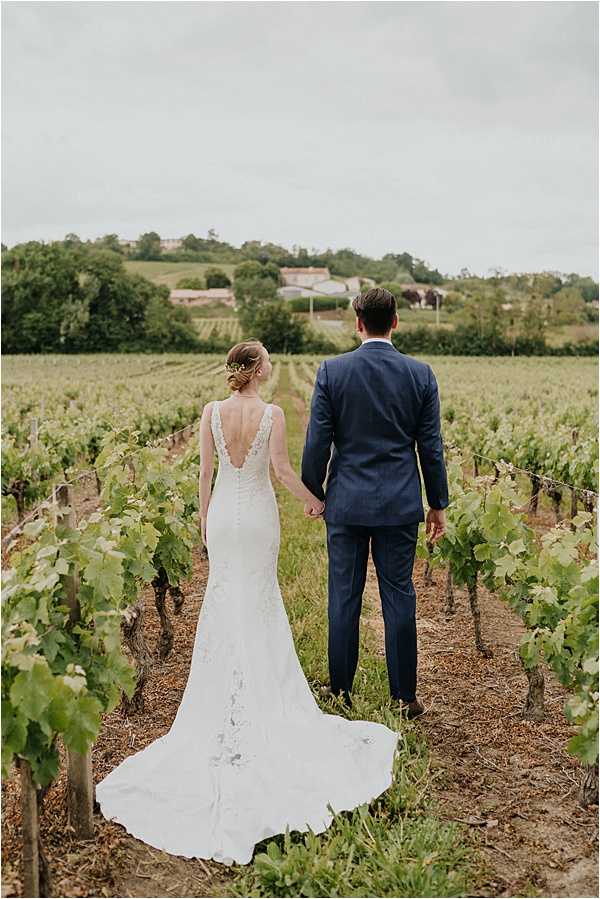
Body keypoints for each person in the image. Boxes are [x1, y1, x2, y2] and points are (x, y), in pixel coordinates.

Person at [96, 339, 399, 866]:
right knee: (259, 600)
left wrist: (202, 519)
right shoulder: (273, 413)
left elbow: (204, 474)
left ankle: (221, 695)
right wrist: (318, 502)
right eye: (269, 362)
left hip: (223, 517)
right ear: (258, 369)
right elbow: (281, 472)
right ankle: (261, 693)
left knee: (224, 601)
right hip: (258, 518)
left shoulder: (211, 412)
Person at [301, 288, 449, 715]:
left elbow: (317, 442)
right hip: (400, 503)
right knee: (399, 596)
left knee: (343, 596)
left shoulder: (333, 371)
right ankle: (404, 697)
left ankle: (341, 691)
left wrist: (317, 492)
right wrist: (437, 503)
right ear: (396, 321)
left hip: (346, 503)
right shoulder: (420, 374)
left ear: (359, 323)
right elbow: (431, 447)